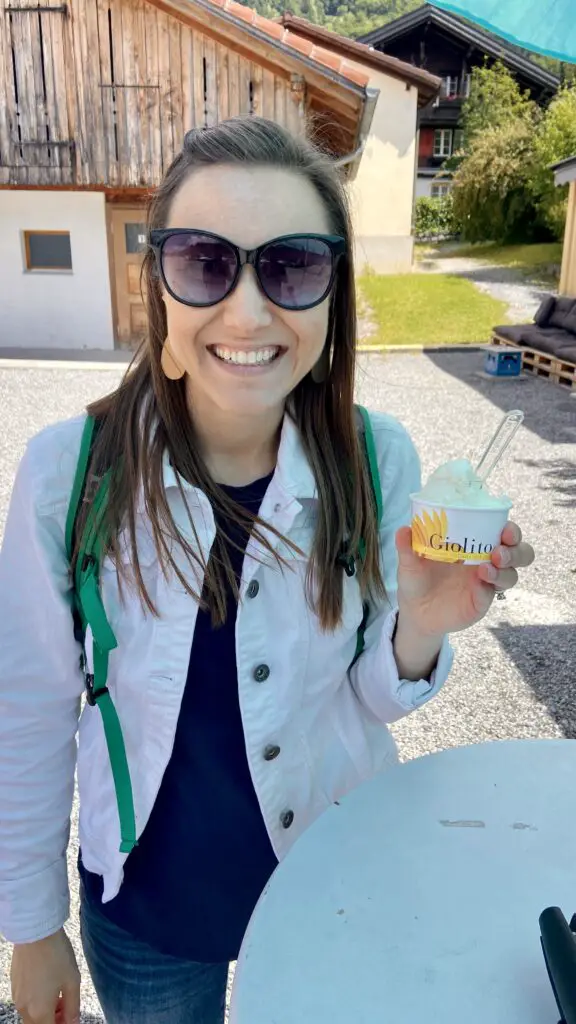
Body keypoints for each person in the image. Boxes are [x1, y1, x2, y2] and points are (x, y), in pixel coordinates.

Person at [0, 116, 535, 1024]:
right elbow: (32, 707)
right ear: (159, 287)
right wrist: (30, 924)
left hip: (336, 873)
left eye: (291, 266)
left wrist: (420, 630)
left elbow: (367, 697)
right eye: (206, 262)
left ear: (332, 296)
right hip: (148, 909)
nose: (248, 311)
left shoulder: (375, 460)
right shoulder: (70, 471)